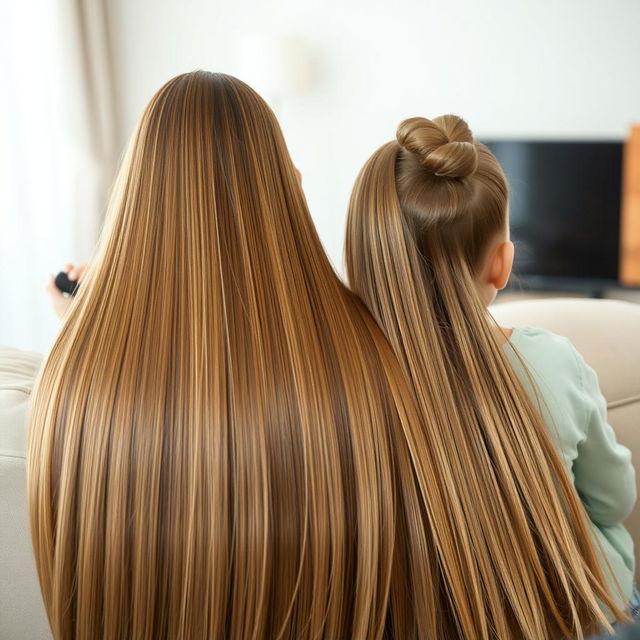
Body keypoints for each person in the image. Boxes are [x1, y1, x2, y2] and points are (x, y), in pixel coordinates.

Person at [28, 71, 444, 640]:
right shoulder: (367, 349)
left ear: (133, 195)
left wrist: (79, 324)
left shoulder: (70, 380)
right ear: (289, 185)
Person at [345, 114, 636, 639]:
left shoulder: (340, 381)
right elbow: (614, 500)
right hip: (584, 613)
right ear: (502, 264)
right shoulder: (550, 359)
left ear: (364, 256)